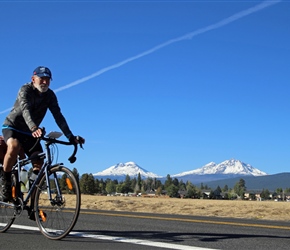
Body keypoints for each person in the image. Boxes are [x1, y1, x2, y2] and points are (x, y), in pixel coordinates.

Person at [0, 66, 85, 202]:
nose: (45, 82)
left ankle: (31, 204)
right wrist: (34, 127)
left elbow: (58, 116)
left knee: (39, 163)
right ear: (33, 79)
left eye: (47, 79)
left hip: (30, 133)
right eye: (42, 79)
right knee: (14, 146)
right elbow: (25, 109)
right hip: (13, 127)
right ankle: (6, 182)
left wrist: (70, 136)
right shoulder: (25, 90)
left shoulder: (50, 96)